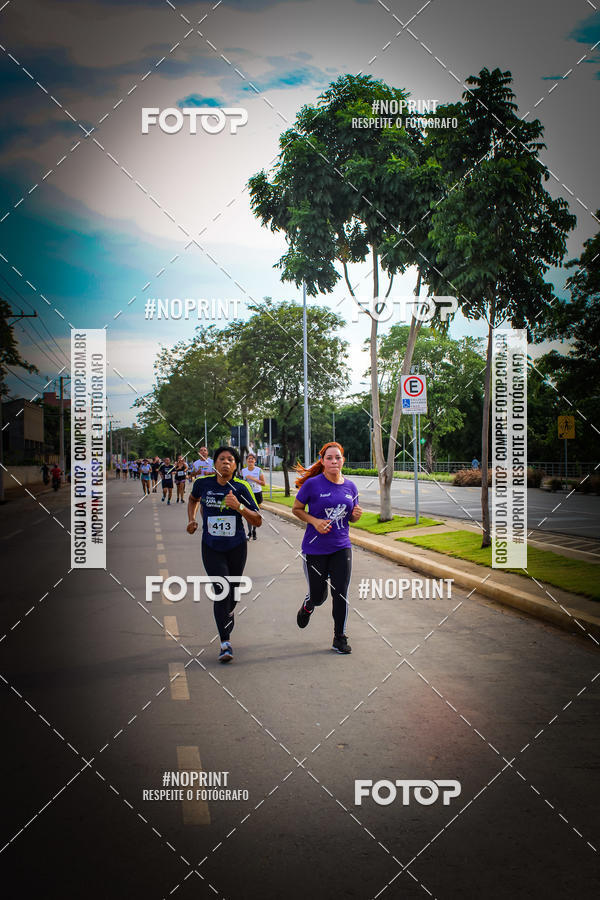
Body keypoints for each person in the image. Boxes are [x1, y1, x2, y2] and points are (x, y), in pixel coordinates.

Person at [187, 446, 261, 663]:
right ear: (214, 463)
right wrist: (191, 519)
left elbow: (257, 520)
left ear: (236, 465)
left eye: (230, 459)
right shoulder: (203, 484)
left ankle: (227, 613)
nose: (225, 462)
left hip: (237, 546)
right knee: (222, 589)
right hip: (211, 546)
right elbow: (192, 499)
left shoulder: (241, 487)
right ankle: (225, 643)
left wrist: (239, 507)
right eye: (221, 459)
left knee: (233, 593)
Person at [292, 442, 363, 655]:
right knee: (318, 596)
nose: (334, 461)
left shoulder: (351, 487)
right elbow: (296, 509)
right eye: (329, 458)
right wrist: (314, 521)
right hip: (315, 549)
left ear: (343, 460)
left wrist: (355, 517)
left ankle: (339, 637)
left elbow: (351, 515)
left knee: (340, 593)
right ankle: (308, 605)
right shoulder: (313, 484)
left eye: (338, 458)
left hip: (341, 547)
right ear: (322, 461)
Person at [241, 453, 265, 540]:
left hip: (257, 493)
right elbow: (241, 483)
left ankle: (254, 530)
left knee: (256, 513)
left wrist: (252, 478)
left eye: (252, 459)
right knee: (248, 513)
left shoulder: (259, 470)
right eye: (249, 459)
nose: (250, 460)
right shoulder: (243, 471)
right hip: (247, 494)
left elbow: (263, 483)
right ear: (246, 460)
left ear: (255, 461)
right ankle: (249, 532)